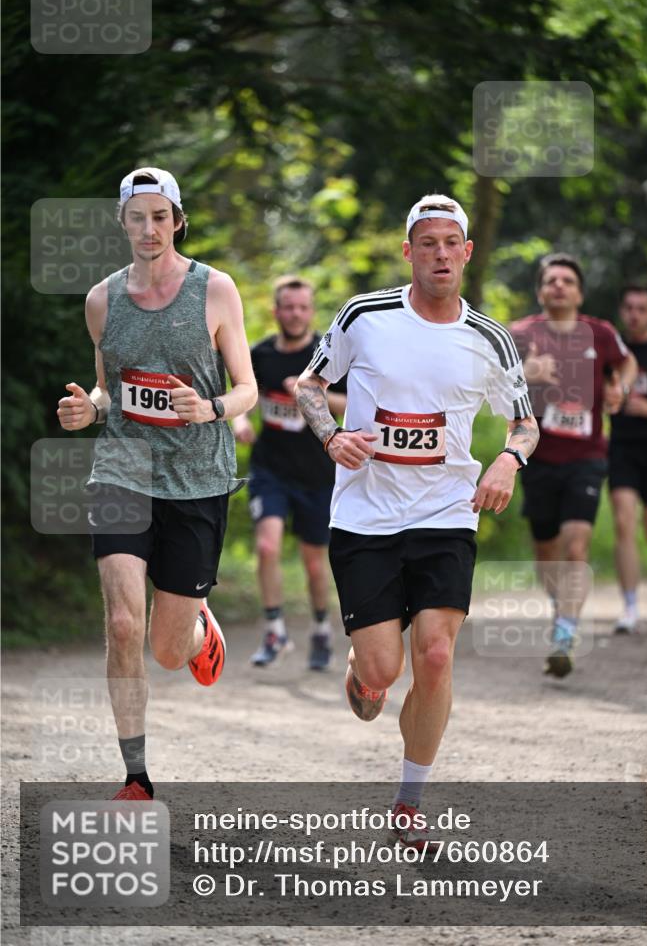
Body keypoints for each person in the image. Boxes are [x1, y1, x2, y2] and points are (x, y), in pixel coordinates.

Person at [295, 194, 538, 847]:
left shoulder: (489, 339)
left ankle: (408, 802)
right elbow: (308, 387)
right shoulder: (364, 316)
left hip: (444, 515)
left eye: (448, 242)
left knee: (434, 654)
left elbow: (524, 423)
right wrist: (330, 438)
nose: (438, 253)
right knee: (383, 672)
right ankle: (362, 669)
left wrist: (507, 462)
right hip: (366, 515)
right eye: (424, 242)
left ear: (466, 252)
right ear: (408, 252)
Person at [57, 167, 257, 800]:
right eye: (137, 217)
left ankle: (197, 625)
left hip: (197, 476)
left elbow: (247, 387)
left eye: (160, 217)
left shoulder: (214, 290)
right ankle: (136, 777)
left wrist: (213, 408)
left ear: (177, 221)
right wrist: (90, 408)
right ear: (123, 223)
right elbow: (108, 387)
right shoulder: (101, 299)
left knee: (168, 651)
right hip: (122, 468)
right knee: (122, 624)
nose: (150, 229)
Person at [510, 253, 637, 678]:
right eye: (552, 280)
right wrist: (525, 372)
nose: (559, 286)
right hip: (537, 455)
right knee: (546, 551)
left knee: (576, 544)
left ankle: (565, 631)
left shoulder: (599, 332)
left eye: (567, 280)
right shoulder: (522, 334)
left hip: (587, 455)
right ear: (541, 290)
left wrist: (621, 386)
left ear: (579, 292)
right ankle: (561, 609)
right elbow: (490, 379)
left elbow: (626, 362)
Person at [232, 276, 346, 669]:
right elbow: (245, 394)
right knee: (267, 546)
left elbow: (349, 402)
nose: (296, 314)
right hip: (271, 469)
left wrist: (308, 391)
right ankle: (275, 631)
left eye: (303, 307)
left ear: (311, 312)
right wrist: (240, 423)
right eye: (288, 307)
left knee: (315, 563)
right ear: (277, 311)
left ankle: (320, 631)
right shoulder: (260, 354)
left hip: (318, 474)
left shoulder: (327, 354)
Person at [609, 284, 647, 633]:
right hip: (622, 447)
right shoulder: (612, 351)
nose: (635, 314)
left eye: (642, 308)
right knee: (623, 521)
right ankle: (630, 607)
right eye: (629, 307)